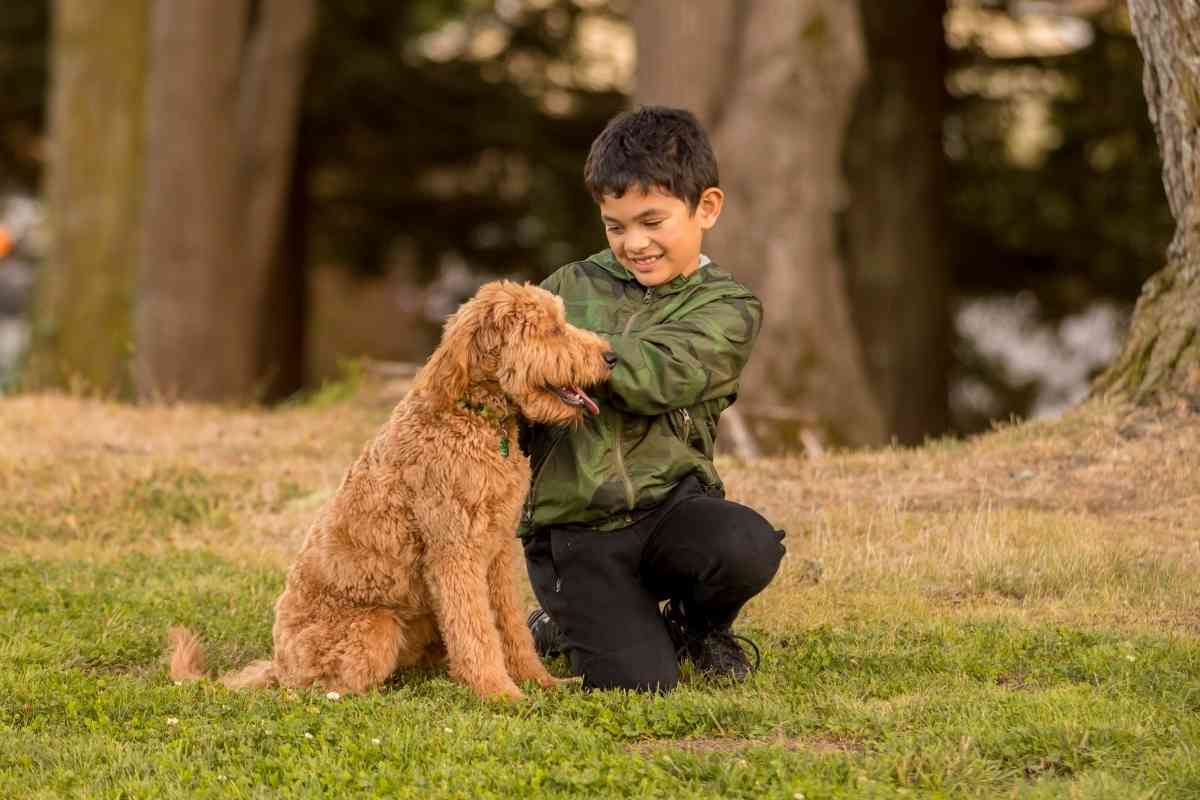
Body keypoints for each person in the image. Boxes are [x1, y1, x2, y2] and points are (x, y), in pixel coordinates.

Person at [520, 105, 785, 693]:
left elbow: (659, 374)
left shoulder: (729, 309)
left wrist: (562, 355)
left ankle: (698, 626)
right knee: (639, 688)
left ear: (706, 208)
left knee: (747, 544)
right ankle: (561, 622)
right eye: (616, 227)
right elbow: (510, 373)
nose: (633, 244)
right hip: (575, 528)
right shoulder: (565, 287)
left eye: (652, 221)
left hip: (671, 510)